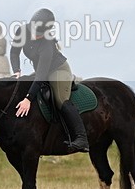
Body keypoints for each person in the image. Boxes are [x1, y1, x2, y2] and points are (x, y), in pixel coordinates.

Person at [11, 8, 89, 153]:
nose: (36, 36)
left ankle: (81, 138)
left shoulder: (47, 44)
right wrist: (16, 71)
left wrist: (28, 99)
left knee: (60, 99)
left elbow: (41, 76)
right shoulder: (22, 31)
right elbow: (14, 52)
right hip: (41, 70)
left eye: (40, 34)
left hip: (58, 70)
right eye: (35, 31)